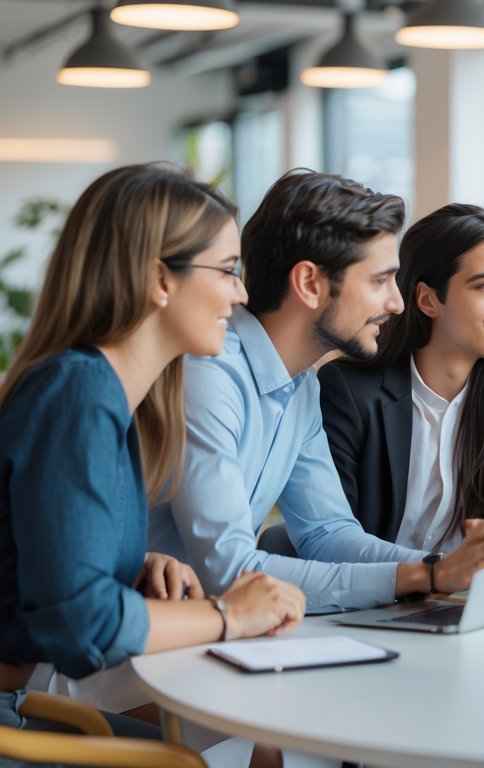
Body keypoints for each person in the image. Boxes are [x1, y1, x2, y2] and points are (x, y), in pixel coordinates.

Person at [0, 164, 305, 743]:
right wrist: (229, 615)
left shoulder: (108, 397)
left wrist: (132, 566)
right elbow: (77, 625)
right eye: (227, 271)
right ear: (159, 279)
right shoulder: (78, 395)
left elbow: (38, 560)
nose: (241, 293)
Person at [148, 171, 484, 613]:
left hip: (209, 631)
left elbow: (327, 532)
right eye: (379, 281)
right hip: (136, 653)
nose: (397, 303)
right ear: (309, 283)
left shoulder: (300, 384)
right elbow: (229, 570)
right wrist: (426, 576)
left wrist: (446, 567)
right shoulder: (210, 373)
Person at [319, 203, 484, 553]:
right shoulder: (348, 393)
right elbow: (331, 543)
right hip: (373, 601)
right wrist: (434, 575)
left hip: (472, 602)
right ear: (428, 300)